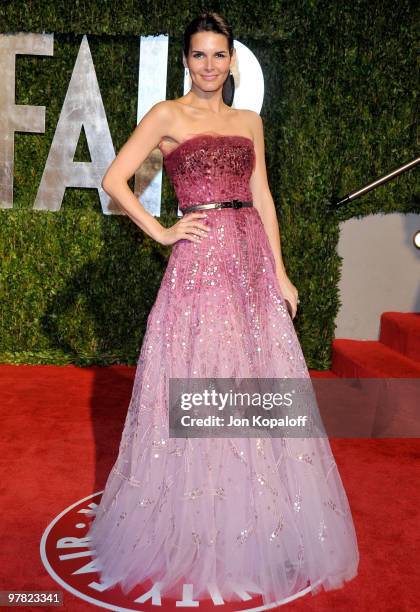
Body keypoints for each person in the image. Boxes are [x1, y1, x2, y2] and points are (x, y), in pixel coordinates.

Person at [87, 11, 359, 606]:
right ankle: (198, 524)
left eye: (218, 55)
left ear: (233, 60)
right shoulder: (167, 115)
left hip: (251, 262)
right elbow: (114, 179)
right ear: (186, 61)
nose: (209, 66)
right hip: (201, 263)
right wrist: (161, 233)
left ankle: (256, 516)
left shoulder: (249, 121)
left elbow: (263, 196)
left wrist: (281, 274)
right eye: (199, 55)